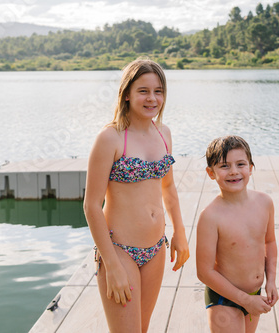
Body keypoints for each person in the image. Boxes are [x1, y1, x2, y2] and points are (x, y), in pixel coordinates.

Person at [83, 58, 189, 333]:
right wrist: (112, 264)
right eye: (143, 90)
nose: (152, 98)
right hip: (120, 251)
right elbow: (92, 205)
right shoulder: (111, 138)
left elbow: (168, 188)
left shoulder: (164, 133)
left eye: (158, 91)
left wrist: (180, 232)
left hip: (156, 248)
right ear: (127, 93)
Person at [196, 135, 278, 333]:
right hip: (224, 298)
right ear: (211, 172)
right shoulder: (210, 216)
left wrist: (271, 281)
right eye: (224, 166)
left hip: (255, 293)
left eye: (240, 164)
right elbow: (204, 271)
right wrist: (245, 300)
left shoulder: (264, 203)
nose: (234, 172)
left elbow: (270, 242)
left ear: (250, 167)